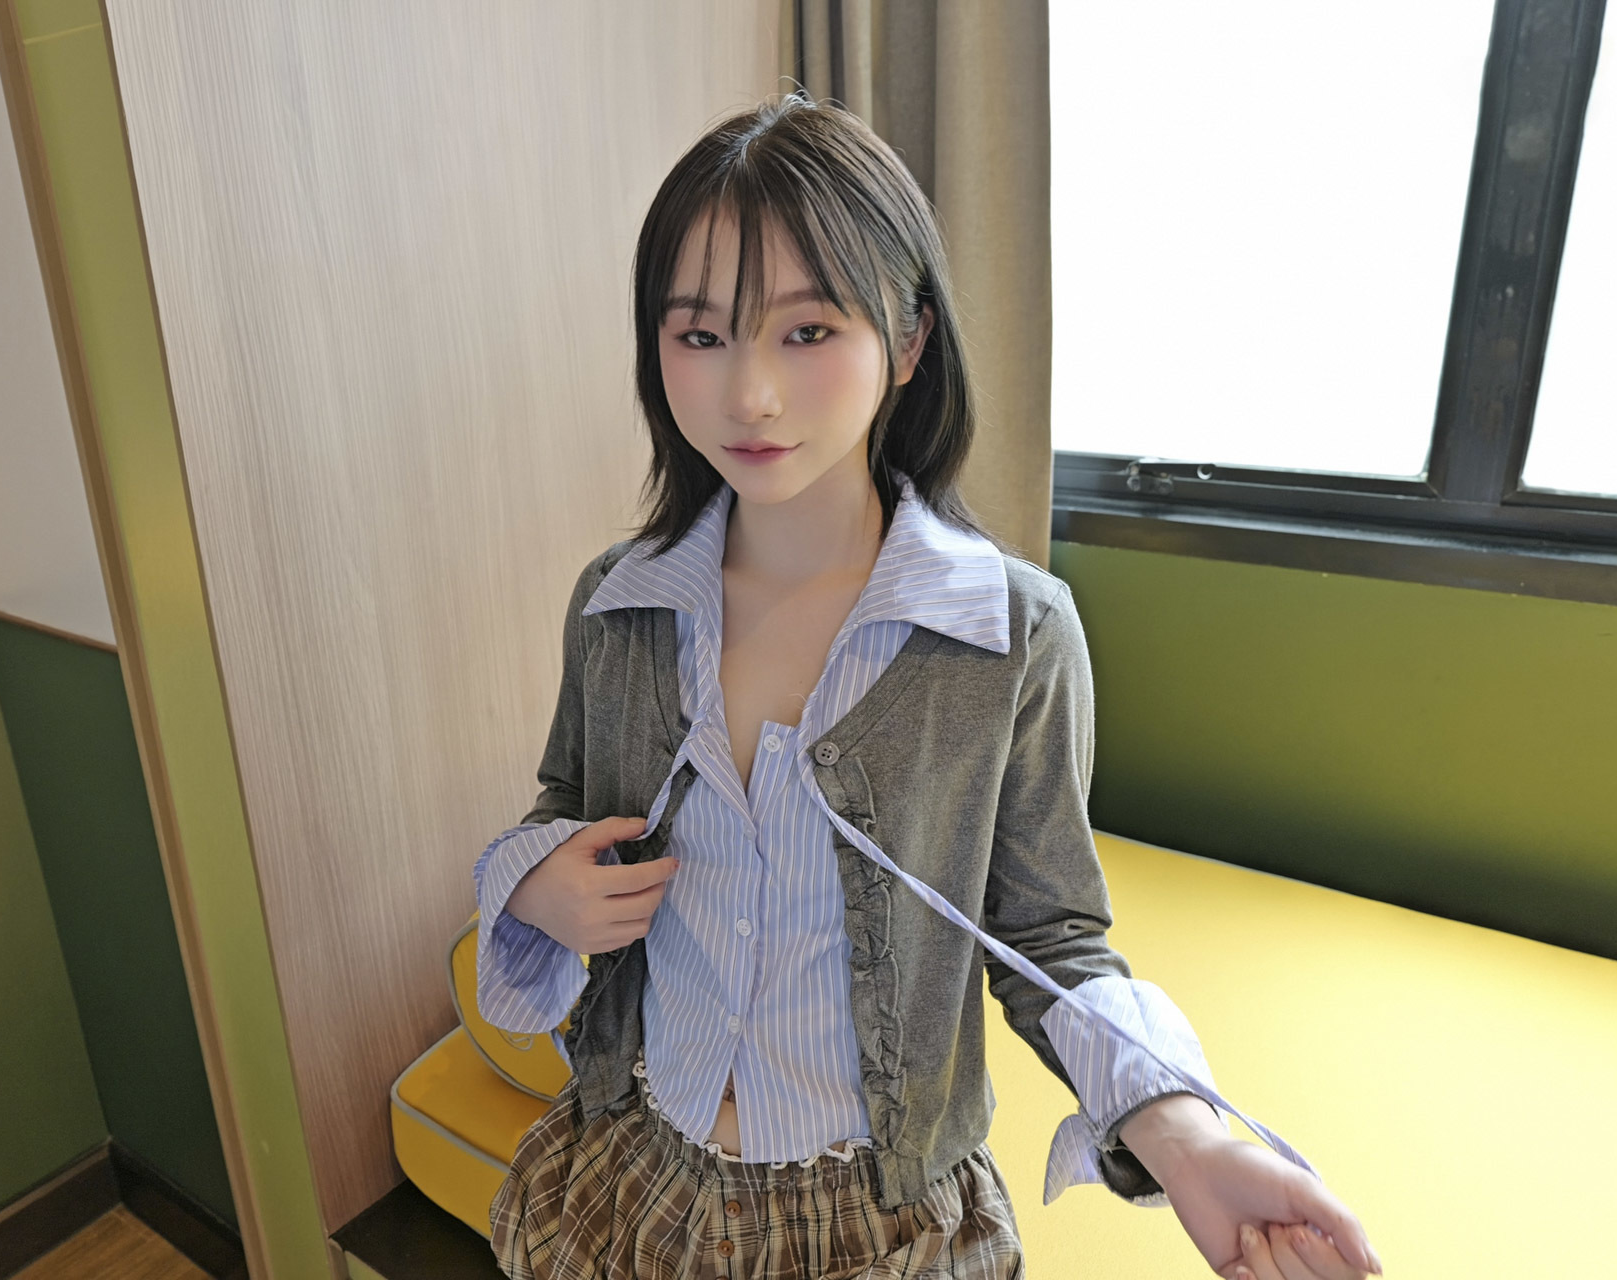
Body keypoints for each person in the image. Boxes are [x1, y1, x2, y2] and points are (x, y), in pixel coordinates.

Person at [471, 91, 1382, 1280]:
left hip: (880, 1216)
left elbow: (1051, 939)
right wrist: (533, 883)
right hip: (636, 1171)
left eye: (807, 331)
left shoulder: (1013, 637)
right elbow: (563, 804)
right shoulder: (619, 605)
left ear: (907, 343)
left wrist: (1187, 1135)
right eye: (700, 336)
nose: (749, 394)